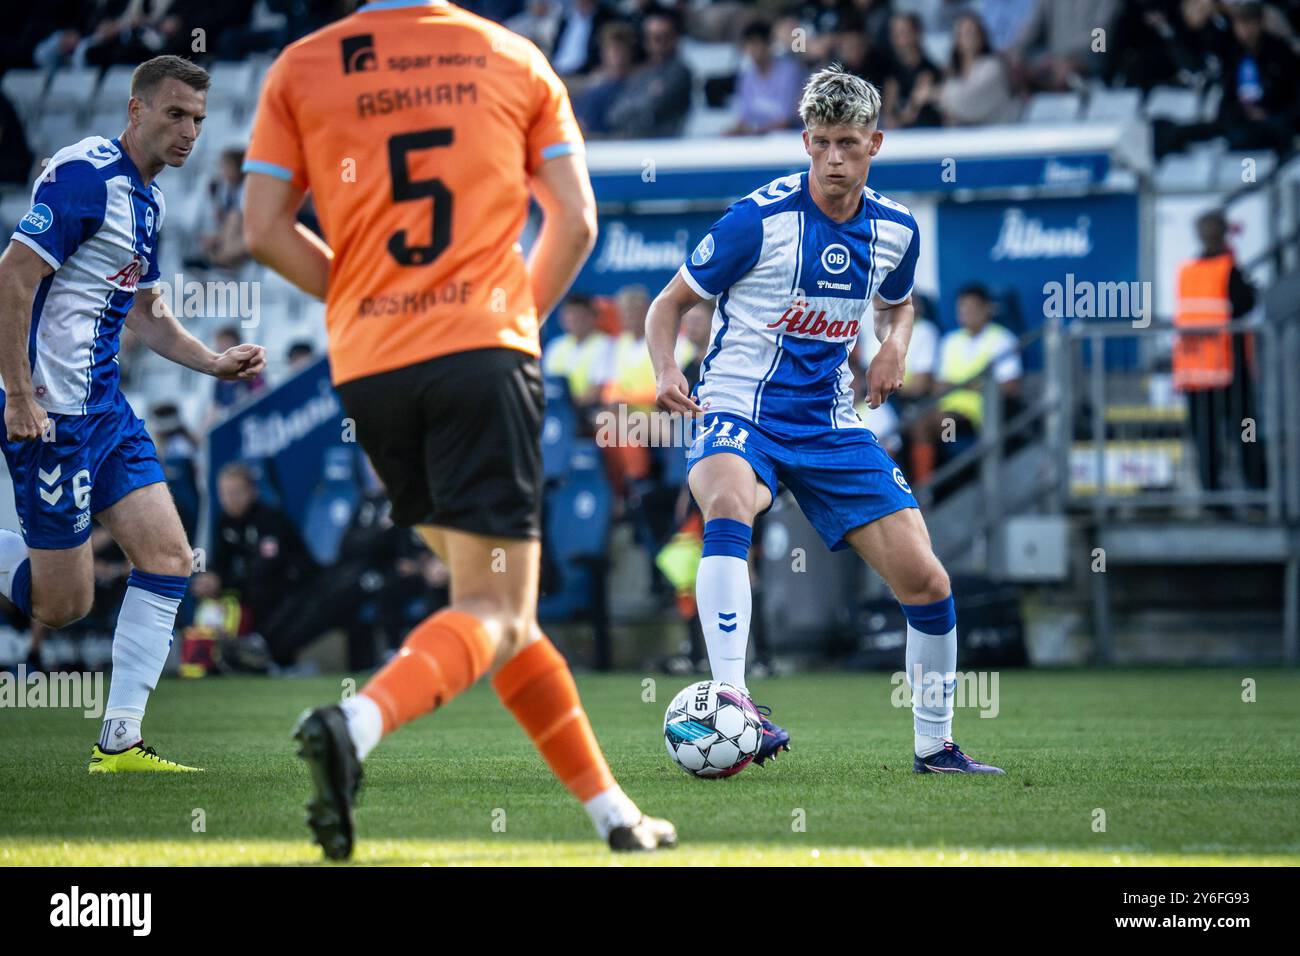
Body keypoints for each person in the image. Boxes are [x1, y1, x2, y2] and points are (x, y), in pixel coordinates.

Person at [241, 0, 674, 859]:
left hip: (369, 369)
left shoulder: (300, 64)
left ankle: (614, 815)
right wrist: (514, 323)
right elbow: (576, 221)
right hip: (479, 354)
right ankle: (354, 725)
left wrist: (363, 306)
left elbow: (259, 230)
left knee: (495, 608)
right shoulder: (513, 55)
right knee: (492, 606)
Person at [646, 65, 1005, 775]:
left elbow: (897, 304)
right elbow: (667, 306)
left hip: (830, 423)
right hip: (740, 406)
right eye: (820, 144)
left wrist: (891, 349)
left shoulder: (896, 230)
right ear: (804, 142)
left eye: (847, 143)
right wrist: (664, 370)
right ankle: (735, 701)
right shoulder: (756, 221)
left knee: (928, 582)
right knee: (727, 501)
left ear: (876, 142)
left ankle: (935, 748)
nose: (833, 159)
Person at [0, 56, 266, 773]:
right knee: (62, 606)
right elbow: (12, 279)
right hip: (51, 415)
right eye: (176, 115)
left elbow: (147, 313)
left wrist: (212, 363)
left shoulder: (149, 202)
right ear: (136, 109)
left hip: (107, 411)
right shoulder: (85, 175)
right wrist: (20, 396)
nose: (188, 133)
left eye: (199, 121)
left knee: (170, 558)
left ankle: (120, 740)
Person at [1172, 210, 1264, 496]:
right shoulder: (1229, 269)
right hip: (1227, 367)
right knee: (1245, 432)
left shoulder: (1188, 271)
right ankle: (1257, 490)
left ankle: (1214, 496)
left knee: (1207, 438)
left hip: (1197, 370)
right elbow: (1247, 302)